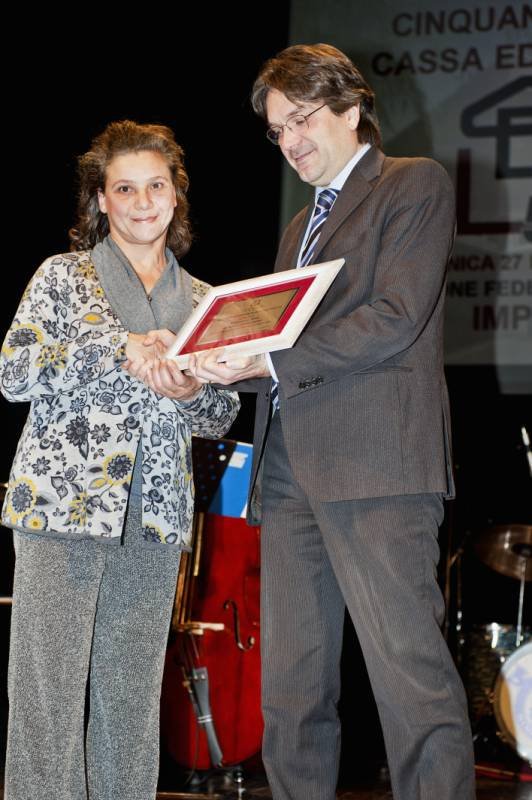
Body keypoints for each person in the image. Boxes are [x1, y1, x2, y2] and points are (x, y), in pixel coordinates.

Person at [169, 44, 475, 800]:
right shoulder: (299, 225)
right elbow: (282, 352)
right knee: (291, 689)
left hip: (377, 467)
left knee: (409, 679)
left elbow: (394, 319)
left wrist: (264, 360)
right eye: (277, 130)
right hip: (287, 470)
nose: (290, 141)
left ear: (351, 107)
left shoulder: (412, 184)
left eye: (301, 119)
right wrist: (215, 364)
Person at [0, 120, 239, 800]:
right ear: (101, 199)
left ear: (176, 194)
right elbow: (13, 374)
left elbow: (222, 414)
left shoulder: (205, 300)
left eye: (155, 186)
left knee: (130, 697)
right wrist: (117, 347)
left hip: (155, 517)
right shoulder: (62, 276)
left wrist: (192, 392)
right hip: (61, 508)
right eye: (124, 188)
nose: (142, 202)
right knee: (47, 692)